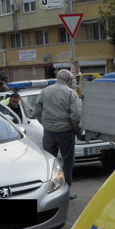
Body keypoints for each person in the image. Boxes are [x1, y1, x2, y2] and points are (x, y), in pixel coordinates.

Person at [31, 70, 83, 200]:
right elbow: (76, 116)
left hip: (49, 132)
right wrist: (78, 131)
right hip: (65, 132)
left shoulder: (45, 91)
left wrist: (46, 124)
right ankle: (65, 192)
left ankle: (48, 193)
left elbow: (36, 112)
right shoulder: (71, 93)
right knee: (68, 162)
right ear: (69, 80)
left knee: (49, 163)